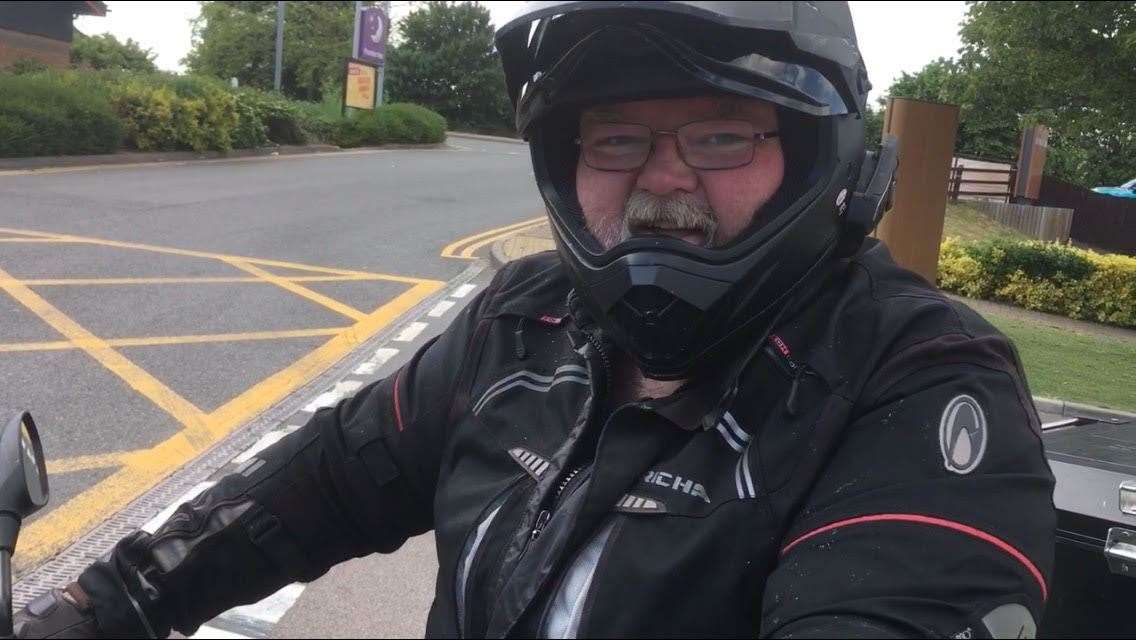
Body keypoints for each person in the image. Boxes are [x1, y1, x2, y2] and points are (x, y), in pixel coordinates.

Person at [17, 2, 1055, 638]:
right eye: (614, 142)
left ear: (820, 154)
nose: (660, 184)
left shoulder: (919, 381)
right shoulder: (527, 318)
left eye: (719, 136)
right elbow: (322, 480)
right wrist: (103, 607)